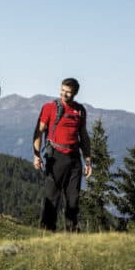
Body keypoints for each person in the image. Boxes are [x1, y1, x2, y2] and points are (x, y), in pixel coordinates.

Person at [32, 78, 92, 232]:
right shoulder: (50, 108)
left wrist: (88, 161)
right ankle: (47, 231)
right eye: (63, 90)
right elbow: (38, 132)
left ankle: (72, 232)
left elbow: (84, 137)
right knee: (52, 197)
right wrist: (36, 155)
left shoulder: (80, 111)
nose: (64, 94)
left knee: (73, 199)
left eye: (68, 92)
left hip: (74, 159)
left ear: (75, 93)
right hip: (55, 157)